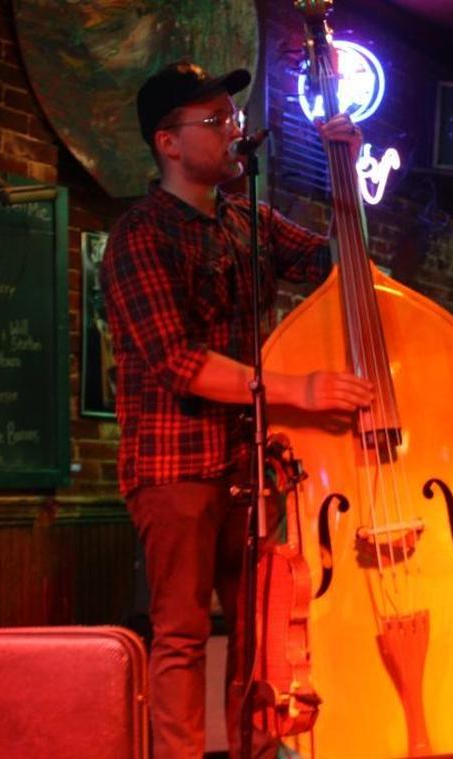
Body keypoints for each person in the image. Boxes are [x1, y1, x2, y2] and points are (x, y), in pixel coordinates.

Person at [101, 60, 373, 759]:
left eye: (234, 116)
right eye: (216, 119)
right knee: (182, 635)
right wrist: (299, 389)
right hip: (174, 464)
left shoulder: (248, 221)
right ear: (168, 142)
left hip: (253, 463)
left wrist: (345, 174)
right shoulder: (140, 235)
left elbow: (342, 266)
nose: (234, 129)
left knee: (261, 636)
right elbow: (177, 361)